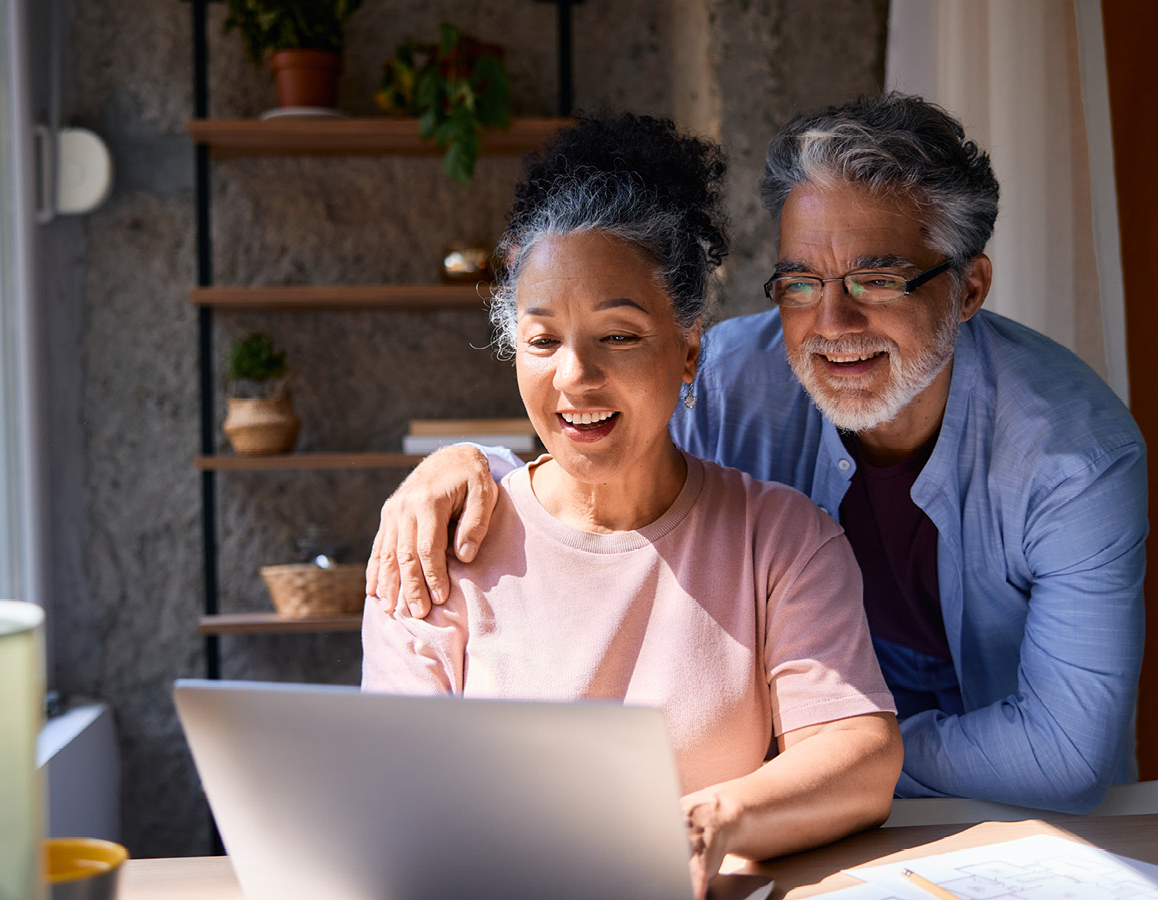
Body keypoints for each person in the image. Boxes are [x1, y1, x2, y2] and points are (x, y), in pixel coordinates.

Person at [367, 93, 1149, 814]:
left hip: (1021, 826)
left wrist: (840, 754)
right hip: (794, 814)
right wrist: (474, 465)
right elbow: (603, 432)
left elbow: (1064, 754)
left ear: (970, 288)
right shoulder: (735, 375)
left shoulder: (1076, 459)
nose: (832, 322)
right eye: (800, 282)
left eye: (875, 278)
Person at [361, 113, 901, 898]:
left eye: (617, 336)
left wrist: (715, 819)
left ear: (688, 351)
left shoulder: (782, 540)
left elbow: (858, 754)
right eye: (543, 341)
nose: (575, 377)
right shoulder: (435, 544)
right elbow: (387, 798)